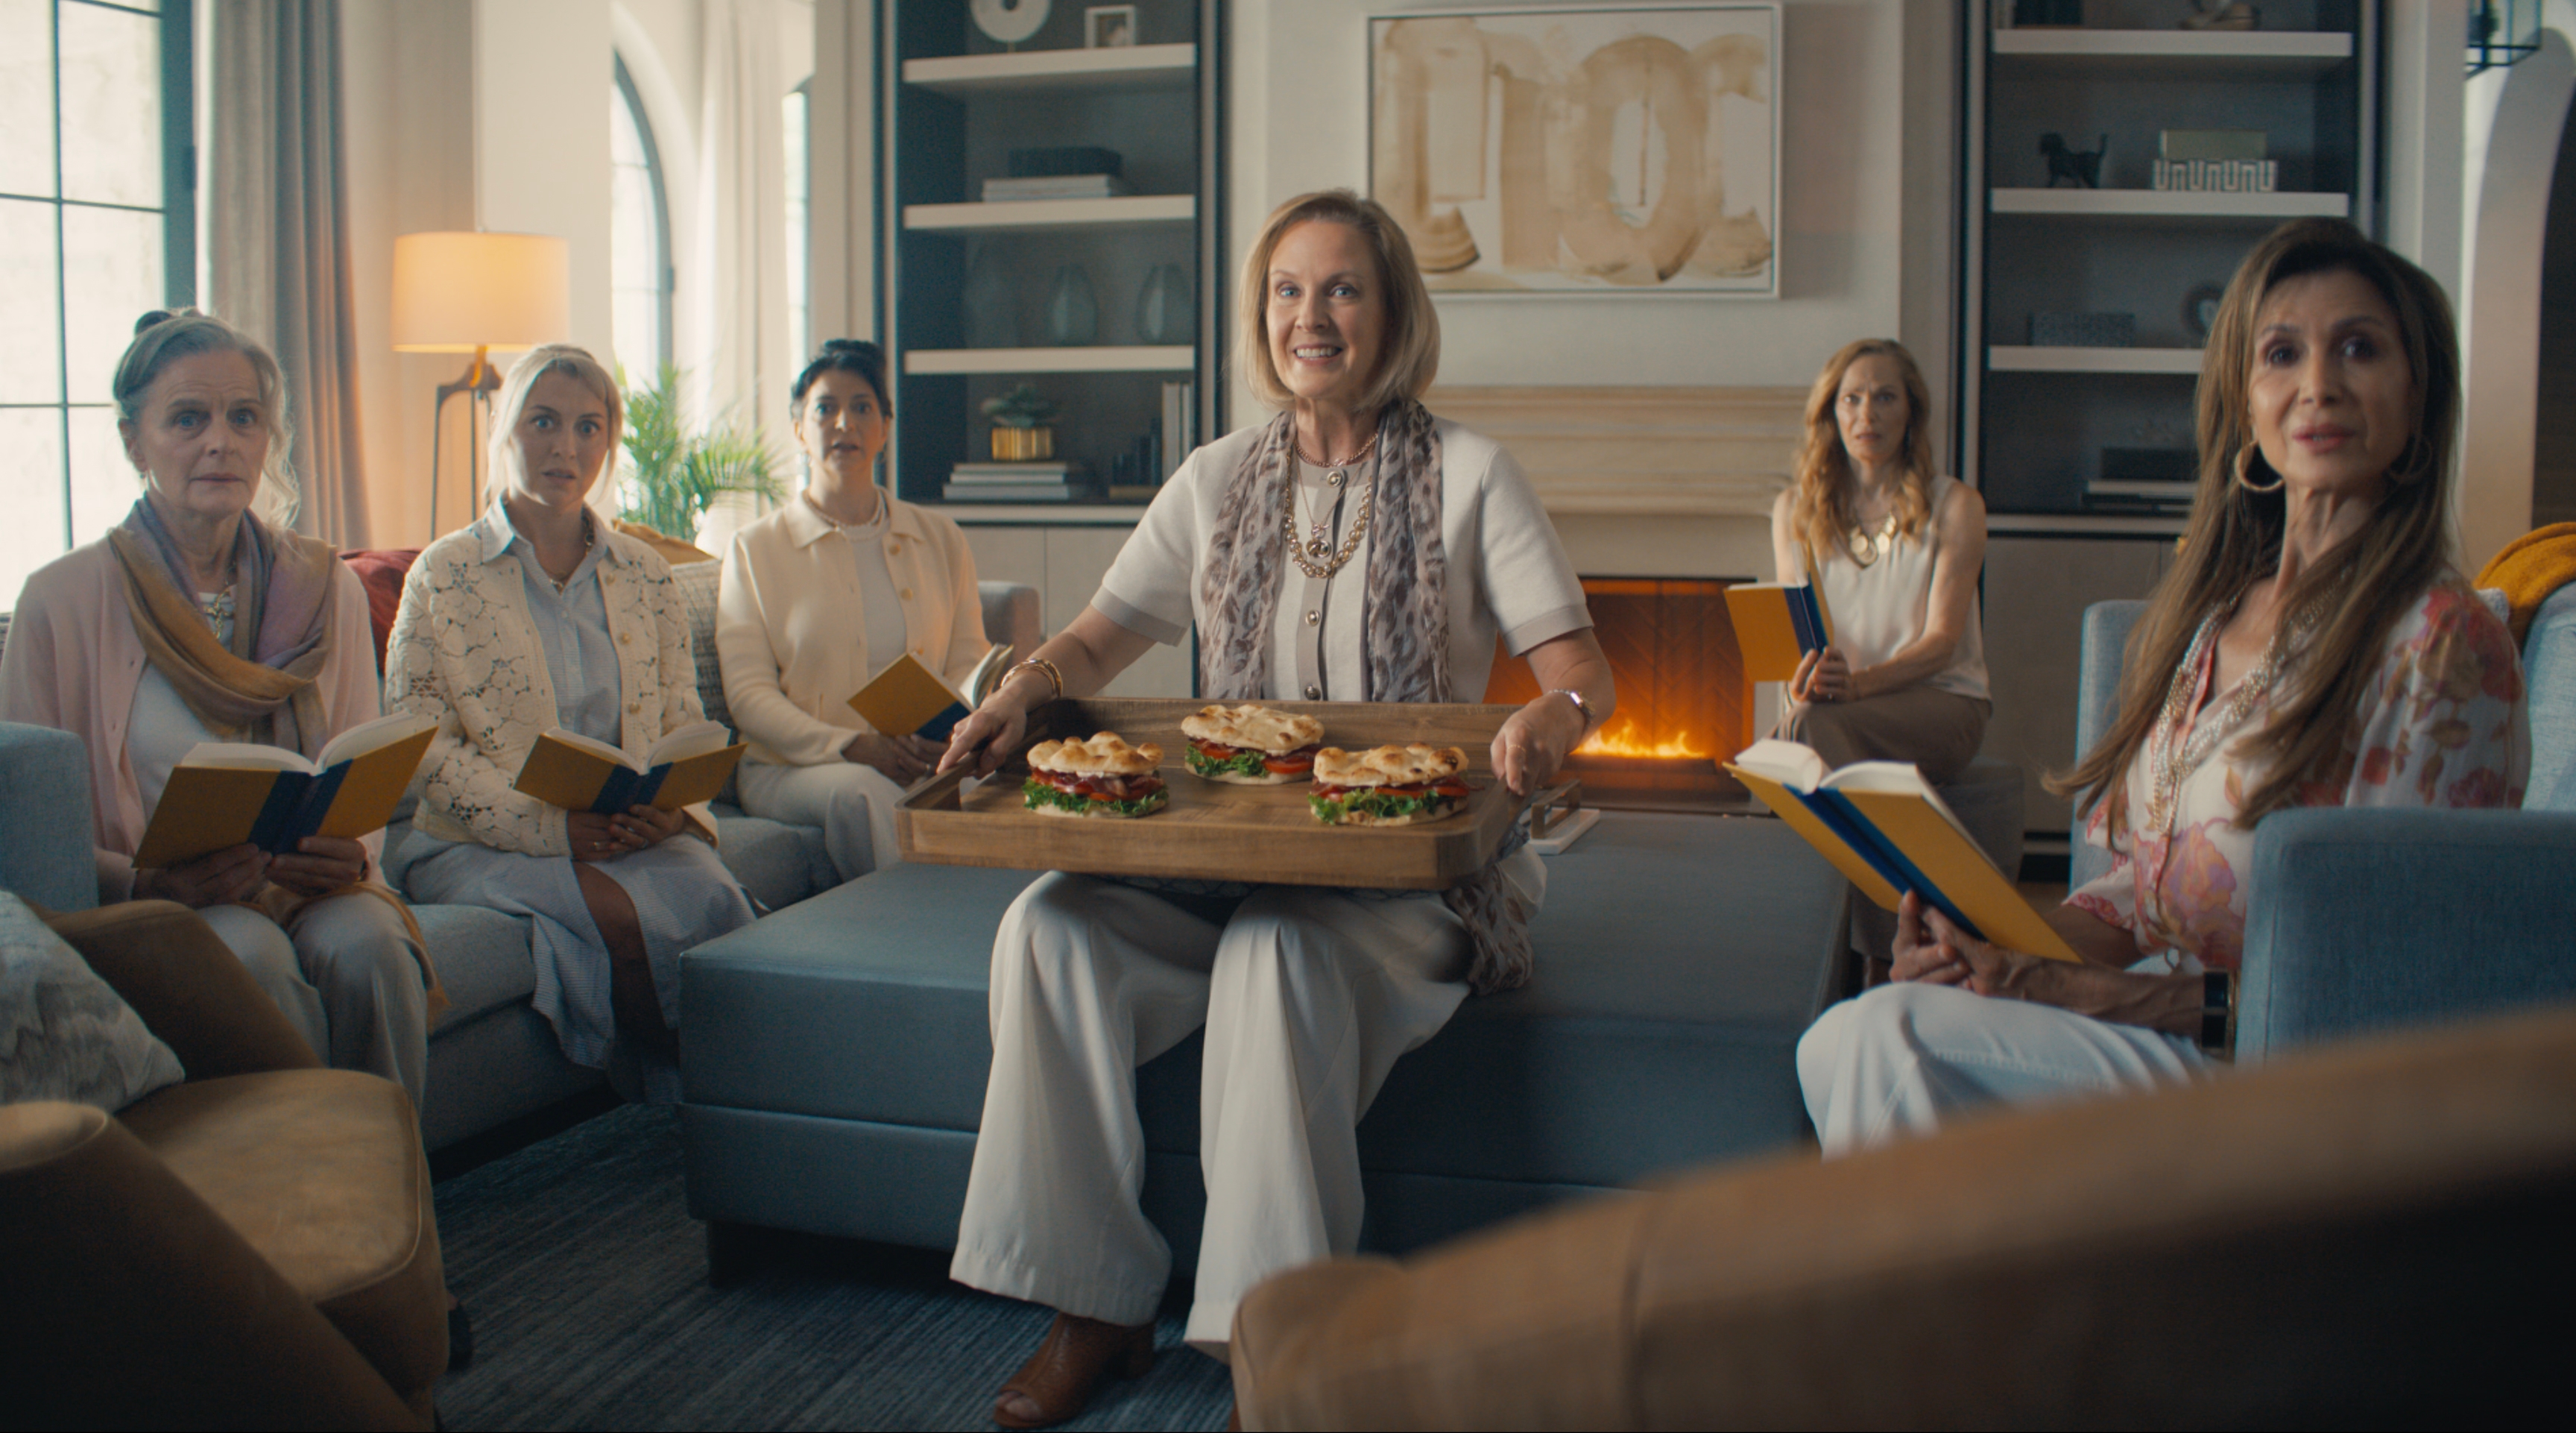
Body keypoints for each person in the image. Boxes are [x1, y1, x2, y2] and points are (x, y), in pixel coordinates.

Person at [937, 189, 1616, 1428]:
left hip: (1404, 880)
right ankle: (1094, 1301)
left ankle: (1280, 1341)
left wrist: (1546, 722)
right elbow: (1096, 637)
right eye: (1289, 291)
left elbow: (1582, 673)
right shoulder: (1212, 478)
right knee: (1047, 928)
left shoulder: (1474, 475)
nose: (1313, 315)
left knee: (1275, 947)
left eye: (1343, 288)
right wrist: (1023, 690)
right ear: (1263, 315)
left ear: (1392, 313)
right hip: (1225, 853)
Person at [1797, 218, 2528, 1154]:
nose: (2318, 384)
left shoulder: (2439, 643)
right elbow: (2134, 895)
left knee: (1890, 1040)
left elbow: (2389, 982)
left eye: (2359, 348)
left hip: (2297, 1080)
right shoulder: (2212, 619)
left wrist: (2090, 993)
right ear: (2245, 404)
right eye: (2282, 354)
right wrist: (1981, 950)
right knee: (1847, 1035)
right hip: (2160, 1028)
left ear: (2417, 394)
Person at [0, 309, 435, 1105]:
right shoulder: (60, 600)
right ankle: (297, 1175)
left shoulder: (326, 586)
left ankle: (392, 1167)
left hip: (307, 881)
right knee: (249, 956)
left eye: (244, 417)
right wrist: (148, 885)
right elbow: (29, 828)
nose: (221, 442)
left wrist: (352, 853)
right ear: (134, 442)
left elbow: (356, 757)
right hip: (166, 904)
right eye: (187, 419)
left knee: (373, 944)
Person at [382, 344, 754, 1097]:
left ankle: (745, 1096)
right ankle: (697, 1098)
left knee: (718, 898)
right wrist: (554, 830)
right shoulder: (444, 574)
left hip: (622, 827)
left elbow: (681, 715)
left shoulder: (644, 572)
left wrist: (670, 810)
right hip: (472, 839)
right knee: (618, 915)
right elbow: (422, 748)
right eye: (544, 421)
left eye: (589, 427)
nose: (567, 447)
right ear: (505, 429)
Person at [716, 338, 988, 883]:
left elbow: (969, 658)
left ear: (885, 427)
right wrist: (853, 746)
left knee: (1001, 783)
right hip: (797, 767)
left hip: (924, 754)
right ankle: (917, 926)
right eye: (825, 408)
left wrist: (946, 736)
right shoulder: (754, 549)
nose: (845, 423)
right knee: (863, 791)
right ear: (799, 428)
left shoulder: (939, 537)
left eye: (862, 407)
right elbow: (749, 697)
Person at [1769, 338, 1990, 785]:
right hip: (1834, 707)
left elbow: (1941, 644)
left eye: (1885, 397)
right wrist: (1806, 683)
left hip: (1940, 702)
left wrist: (1857, 686)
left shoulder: (1957, 506)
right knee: (1804, 722)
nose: (1866, 414)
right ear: (1832, 412)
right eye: (1852, 398)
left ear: (1911, 412)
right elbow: (1796, 640)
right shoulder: (1793, 509)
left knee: (1801, 733)